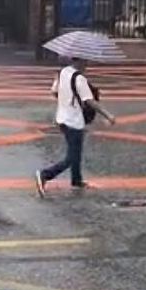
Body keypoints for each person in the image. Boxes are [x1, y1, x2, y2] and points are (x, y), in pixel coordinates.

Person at [36, 58, 116, 197]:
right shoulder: (79, 79)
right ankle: (45, 174)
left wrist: (68, 99)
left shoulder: (62, 73)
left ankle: (76, 181)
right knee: (72, 157)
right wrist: (108, 115)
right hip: (74, 121)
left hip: (62, 118)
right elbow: (89, 101)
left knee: (76, 151)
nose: (88, 65)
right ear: (80, 61)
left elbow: (54, 92)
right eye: (86, 62)